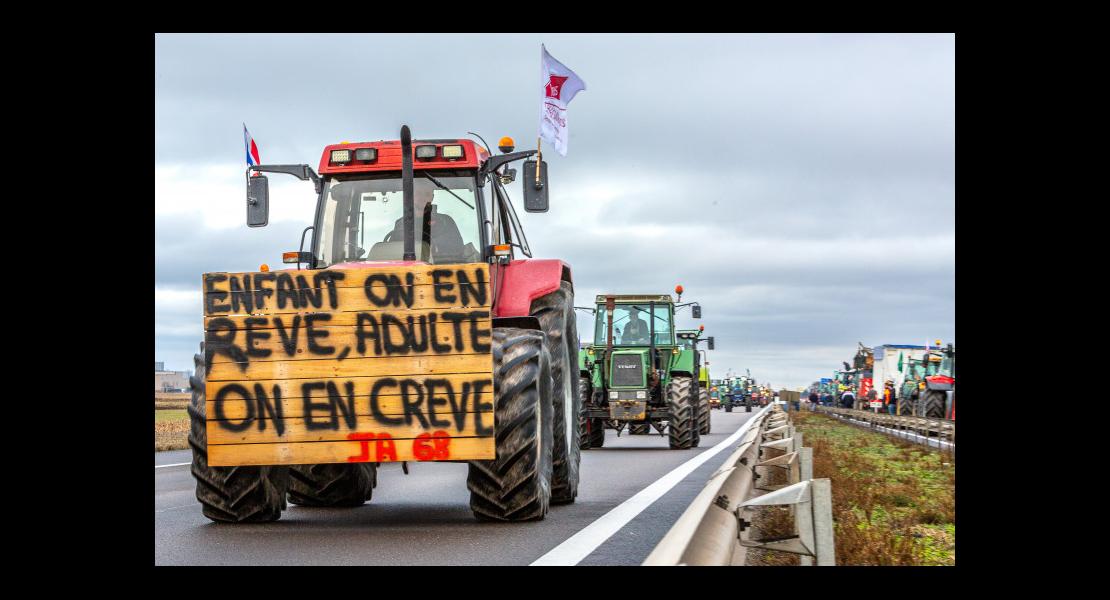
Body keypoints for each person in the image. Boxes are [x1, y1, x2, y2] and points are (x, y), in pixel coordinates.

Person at [383, 185, 465, 261]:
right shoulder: (401, 224)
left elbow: (458, 247)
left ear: (432, 197)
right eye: (418, 193)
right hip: (409, 270)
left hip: (442, 268)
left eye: (427, 194)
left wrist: (429, 246)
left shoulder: (446, 221)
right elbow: (392, 251)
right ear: (412, 196)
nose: (422, 198)